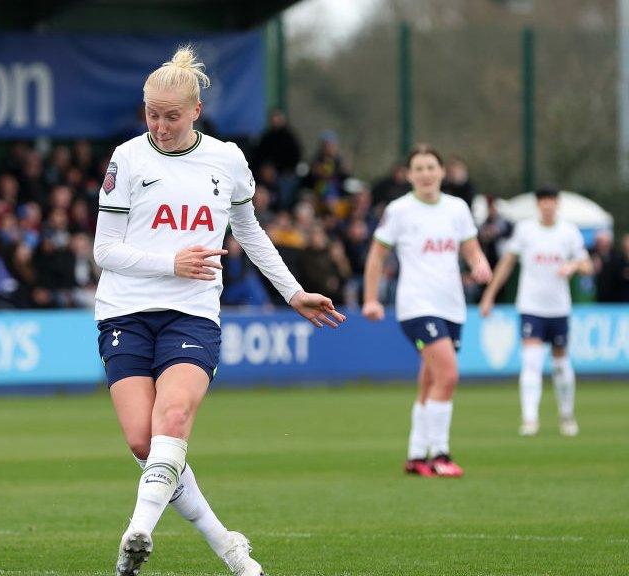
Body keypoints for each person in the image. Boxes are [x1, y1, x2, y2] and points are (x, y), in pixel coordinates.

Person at [94, 46, 344, 576]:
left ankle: (136, 534)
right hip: (124, 310)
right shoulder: (127, 158)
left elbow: (249, 231)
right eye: (151, 115)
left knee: (174, 419)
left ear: (196, 111)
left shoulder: (227, 160)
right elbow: (103, 250)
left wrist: (292, 291)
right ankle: (227, 544)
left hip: (192, 313)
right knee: (145, 442)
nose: (160, 126)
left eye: (171, 116)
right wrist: (171, 262)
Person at [362, 144, 492, 478]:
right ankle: (440, 454)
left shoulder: (457, 208)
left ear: (442, 172)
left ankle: (416, 455)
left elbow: (472, 249)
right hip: (417, 306)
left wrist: (480, 265)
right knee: (448, 376)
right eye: (418, 168)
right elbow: (377, 256)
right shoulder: (400, 210)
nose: (425, 174)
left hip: (452, 306)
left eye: (431, 167)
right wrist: (371, 299)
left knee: (431, 380)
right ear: (409, 175)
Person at [478, 185, 592, 437]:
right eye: (543, 201)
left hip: (559, 308)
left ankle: (566, 415)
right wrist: (489, 295)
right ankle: (530, 418)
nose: (547, 205)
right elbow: (507, 263)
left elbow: (588, 266)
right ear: (538, 205)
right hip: (531, 306)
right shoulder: (525, 230)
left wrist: (572, 266)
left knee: (561, 363)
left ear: (557, 204)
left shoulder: (568, 232)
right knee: (531, 362)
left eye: (551, 201)